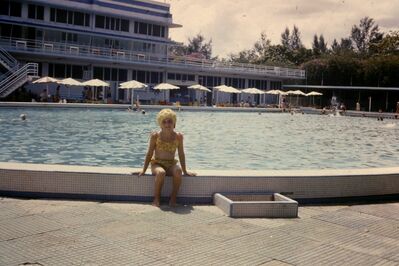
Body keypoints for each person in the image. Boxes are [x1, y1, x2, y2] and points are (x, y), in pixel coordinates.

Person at [135, 108, 196, 207]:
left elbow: (181, 154)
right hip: (157, 163)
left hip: (171, 164)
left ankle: (173, 198)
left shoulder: (178, 137)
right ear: (160, 124)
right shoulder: (155, 136)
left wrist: (185, 171)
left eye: (170, 121)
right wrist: (144, 170)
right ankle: (156, 198)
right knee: (161, 173)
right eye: (164, 122)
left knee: (178, 171)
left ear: (174, 123)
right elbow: (149, 153)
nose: (167, 124)